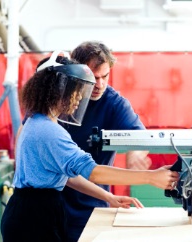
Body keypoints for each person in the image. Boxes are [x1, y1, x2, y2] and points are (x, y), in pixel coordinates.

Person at [0, 52, 179, 242]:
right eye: (75, 90)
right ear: (58, 90)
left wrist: (107, 196)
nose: (79, 97)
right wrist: (150, 177)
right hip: (33, 219)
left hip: (32, 211)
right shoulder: (49, 131)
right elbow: (93, 172)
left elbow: (69, 176)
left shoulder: (37, 122)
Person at [61, 41, 152, 241]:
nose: (100, 85)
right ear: (76, 73)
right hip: (53, 204)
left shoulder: (113, 103)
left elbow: (141, 138)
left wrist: (135, 154)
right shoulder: (58, 99)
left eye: (105, 76)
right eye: (93, 78)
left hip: (92, 203)